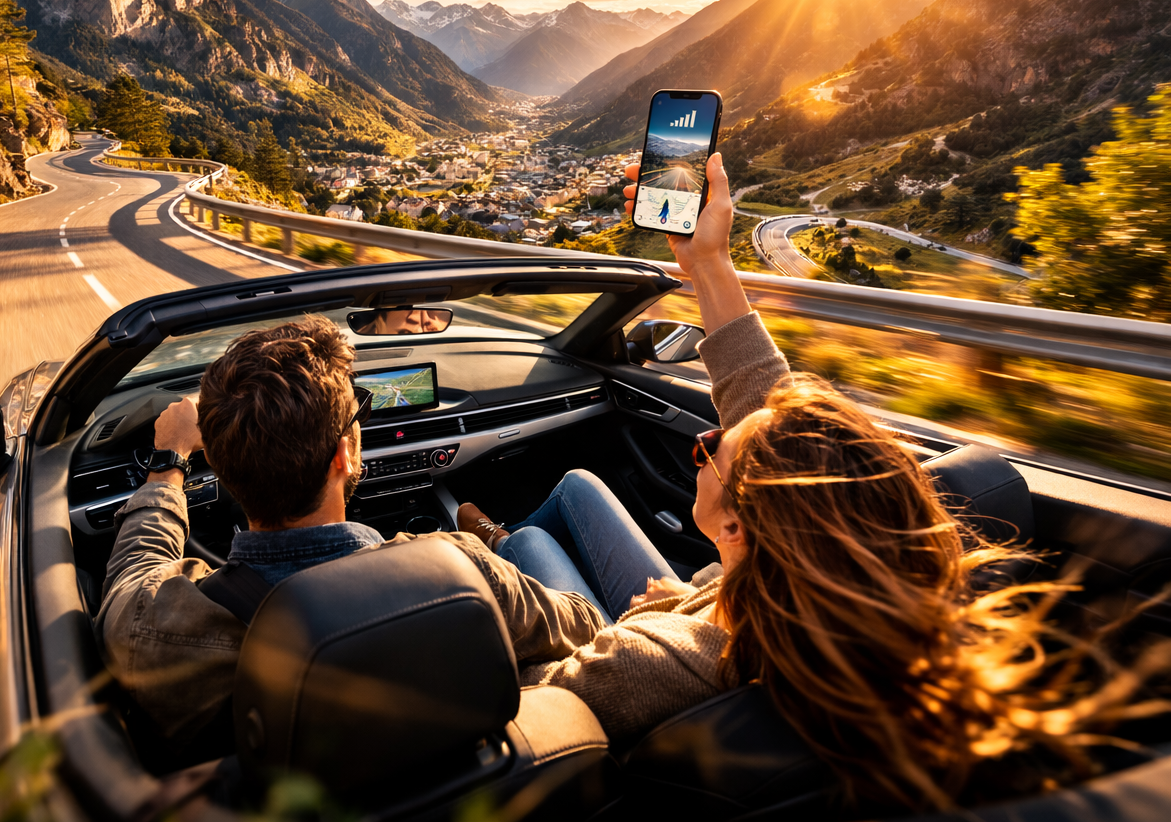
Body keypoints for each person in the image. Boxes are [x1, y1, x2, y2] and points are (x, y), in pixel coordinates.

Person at [459, 154, 1161, 813]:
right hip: (687, 608)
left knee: (507, 564)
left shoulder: (641, 667)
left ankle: (495, 546)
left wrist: (450, 585)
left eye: (711, 449)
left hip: (628, 633)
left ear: (733, 529)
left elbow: (514, 717)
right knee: (580, 487)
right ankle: (501, 539)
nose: (710, 437)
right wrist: (708, 261)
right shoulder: (850, 590)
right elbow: (771, 412)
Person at [95, 316, 606, 746]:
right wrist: (491, 551)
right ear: (344, 454)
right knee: (547, 523)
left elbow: (134, 568)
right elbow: (584, 627)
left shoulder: (159, 627)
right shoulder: (463, 569)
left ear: (222, 466)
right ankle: (504, 535)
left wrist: (168, 465)